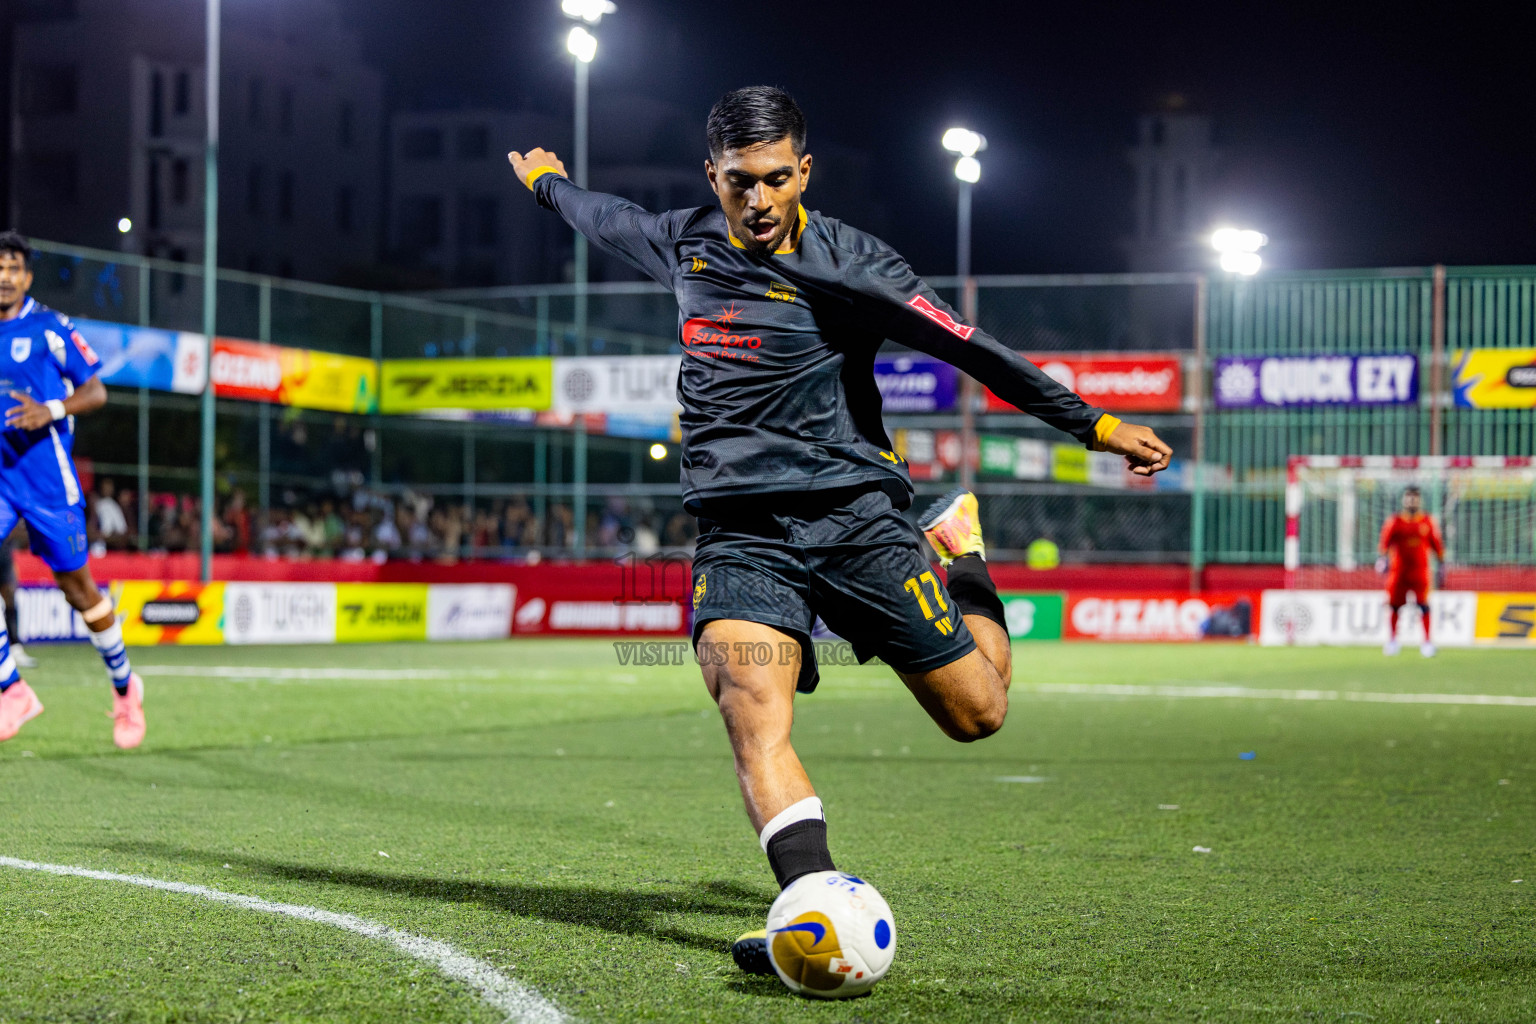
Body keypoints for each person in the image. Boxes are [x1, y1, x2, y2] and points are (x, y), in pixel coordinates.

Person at [508, 87, 1171, 973]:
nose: (759, 200)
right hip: (740, 532)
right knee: (748, 704)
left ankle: (965, 556)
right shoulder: (683, 242)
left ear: (804, 171)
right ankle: (812, 906)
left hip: (855, 519)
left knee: (979, 714)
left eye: (777, 178)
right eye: (739, 181)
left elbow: (972, 348)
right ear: (712, 176)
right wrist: (548, 185)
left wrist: (1094, 424)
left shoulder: (855, 265)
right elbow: (604, 216)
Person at [0, 232, 145, 747]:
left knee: (79, 591)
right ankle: (12, 689)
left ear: (27, 277)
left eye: (12, 268)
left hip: (46, 477)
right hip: (1, 475)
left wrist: (51, 410)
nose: (3, 277)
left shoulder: (50, 328)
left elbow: (96, 389)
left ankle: (125, 688)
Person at [1377, 484, 1444, 657]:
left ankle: (1427, 643)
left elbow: (1436, 544)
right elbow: (1384, 543)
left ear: (1419, 500)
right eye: (1409, 498)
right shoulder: (1395, 521)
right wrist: (1382, 559)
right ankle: (1392, 641)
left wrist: (1441, 563)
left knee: (1424, 606)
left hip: (1420, 572)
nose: (1412, 501)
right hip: (1398, 572)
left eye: (1415, 498)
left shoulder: (1427, 521)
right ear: (1404, 500)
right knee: (1394, 606)